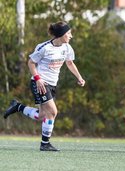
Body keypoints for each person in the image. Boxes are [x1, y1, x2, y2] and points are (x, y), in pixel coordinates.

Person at [3, 21, 85, 151]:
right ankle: (44, 144)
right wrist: (38, 79)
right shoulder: (44, 48)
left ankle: (17, 107)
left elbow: (69, 63)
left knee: (42, 116)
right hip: (40, 84)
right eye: (68, 33)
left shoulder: (67, 48)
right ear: (61, 34)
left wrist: (79, 77)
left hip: (52, 85)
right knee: (52, 112)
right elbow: (31, 63)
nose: (71, 36)